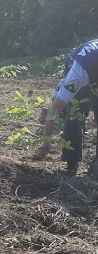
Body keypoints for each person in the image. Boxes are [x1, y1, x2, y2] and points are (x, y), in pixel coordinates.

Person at [34, 39, 98, 176]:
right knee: (73, 114)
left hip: (93, 70)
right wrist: (46, 141)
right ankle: (71, 163)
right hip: (88, 67)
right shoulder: (76, 76)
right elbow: (54, 109)